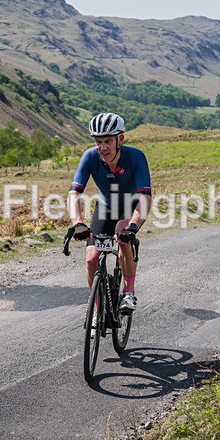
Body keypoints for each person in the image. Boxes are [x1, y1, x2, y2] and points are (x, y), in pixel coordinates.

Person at [68, 113, 151, 314]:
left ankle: (129, 292)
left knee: (123, 237)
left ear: (120, 139)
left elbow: (145, 198)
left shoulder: (135, 156)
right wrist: (77, 222)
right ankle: (97, 309)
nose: (102, 147)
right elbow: (74, 193)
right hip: (105, 208)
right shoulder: (90, 156)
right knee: (90, 257)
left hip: (130, 208)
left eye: (107, 141)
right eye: (98, 141)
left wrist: (132, 227)